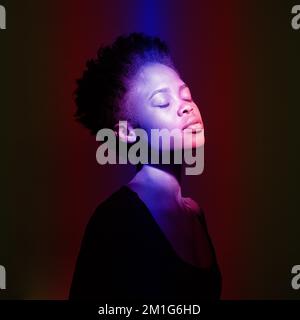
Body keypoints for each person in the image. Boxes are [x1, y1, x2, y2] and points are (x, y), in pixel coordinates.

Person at [69, 33, 222, 301]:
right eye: (163, 102)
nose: (186, 106)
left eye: (186, 94)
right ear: (127, 132)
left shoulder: (195, 213)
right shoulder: (115, 218)